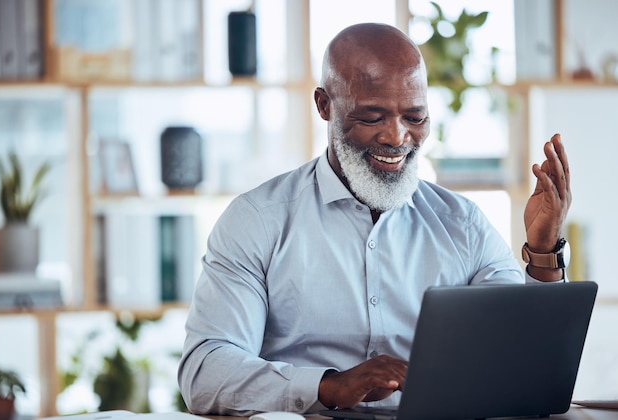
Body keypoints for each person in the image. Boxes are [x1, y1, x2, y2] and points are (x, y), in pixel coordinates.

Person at [178, 22, 571, 416]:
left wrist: (542, 251)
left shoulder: (462, 224)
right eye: (372, 117)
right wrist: (331, 385)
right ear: (324, 105)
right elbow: (205, 372)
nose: (397, 137)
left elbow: (523, 361)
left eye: (415, 118)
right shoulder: (258, 221)